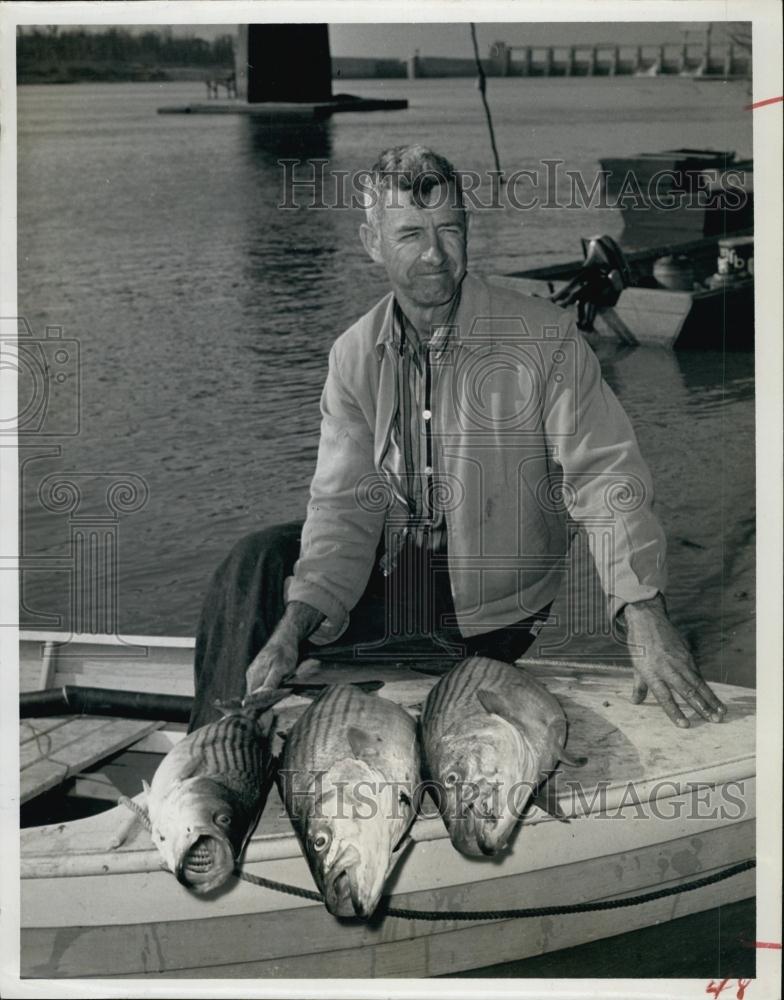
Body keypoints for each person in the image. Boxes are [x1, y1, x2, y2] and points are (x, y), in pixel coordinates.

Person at [188, 144, 726, 733]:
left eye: (450, 229)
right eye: (410, 234)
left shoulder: (542, 337)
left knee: (275, 615)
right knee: (259, 561)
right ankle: (218, 749)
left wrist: (642, 608)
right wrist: (293, 627)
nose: (436, 255)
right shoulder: (353, 355)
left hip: (488, 613)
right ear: (373, 244)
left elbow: (604, 474)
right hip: (399, 576)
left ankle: (265, 720)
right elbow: (344, 508)